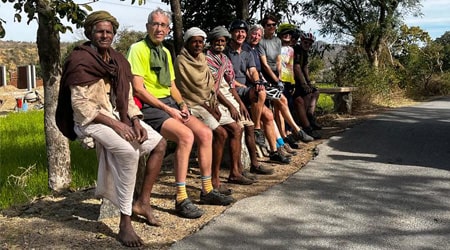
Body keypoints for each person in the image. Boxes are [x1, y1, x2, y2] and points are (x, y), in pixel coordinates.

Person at [55, 11, 166, 247]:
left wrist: (135, 120)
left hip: (118, 115)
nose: (105, 35)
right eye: (99, 31)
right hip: (90, 121)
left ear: (114, 34)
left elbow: (126, 95)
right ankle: (124, 222)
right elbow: (80, 105)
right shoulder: (80, 60)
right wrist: (116, 124)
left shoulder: (118, 60)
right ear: (90, 33)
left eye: (109, 31)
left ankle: (143, 202)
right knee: (128, 152)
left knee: (158, 143)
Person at [126, 8, 232, 220]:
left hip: (169, 103)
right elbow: (138, 89)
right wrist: (168, 109)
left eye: (163, 25)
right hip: (149, 106)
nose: (159, 28)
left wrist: (181, 104)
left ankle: (207, 190)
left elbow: (172, 85)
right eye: (155, 24)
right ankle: (181, 197)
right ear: (148, 27)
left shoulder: (165, 52)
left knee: (206, 133)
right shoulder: (137, 49)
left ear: (168, 29)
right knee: (186, 136)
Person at [174, 27, 258, 191]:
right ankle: (214, 179)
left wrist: (229, 104)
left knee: (239, 128)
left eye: (200, 42)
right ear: (188, 43)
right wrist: (212, 106)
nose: (198, 45)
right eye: (194, 42)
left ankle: (236, 171)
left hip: (209, 102)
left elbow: (210, 85)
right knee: (222, 132)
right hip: (192, 104)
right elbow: (190, 90)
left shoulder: (202, 60)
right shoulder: (182, 61)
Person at [205, 25, 274, 176]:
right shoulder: (208, 59)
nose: (220, 44)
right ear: (211, 42)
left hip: (231, 95)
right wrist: (231, 106)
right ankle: (237, 170)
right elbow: (214, 89)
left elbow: (231, 85)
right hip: (217, 98)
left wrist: (241, 104)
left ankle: (254, 164)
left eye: (223, 41)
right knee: (237, 128)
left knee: (249, 125)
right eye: (217, 41)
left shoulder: (225, 59)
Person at [225, 20, 291, 164]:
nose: (240, 34)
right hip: (231, 90)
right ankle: (256, 129)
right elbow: (226, 77)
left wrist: (257, 82)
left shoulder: (247, 52)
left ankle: (273, 151)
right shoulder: (226, 52)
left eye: (243, 32)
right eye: (237, 31)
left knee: (268, 115)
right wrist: (241, 85)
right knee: (262, 98)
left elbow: (253, 70)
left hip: (246, 90)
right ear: (231, 33)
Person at [244, 23, 317, 146]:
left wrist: (289, 81)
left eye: (258, 35)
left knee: (283, 102)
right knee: (276, 108)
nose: (256, 37)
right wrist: (274, 81)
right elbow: (256, 68)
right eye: (254, 34)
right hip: (255, 85)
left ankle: (286, 138)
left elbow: (290, 67)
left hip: (272, 81)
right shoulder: (247, 49)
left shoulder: (255, 50)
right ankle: (291, 134)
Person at [293, 31, 322, 130]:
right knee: (308, 94)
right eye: (306, 42)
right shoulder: (296, 50)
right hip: (294, 80)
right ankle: (303, 121)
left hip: (301, 80)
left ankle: (310, 116)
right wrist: (304, 84)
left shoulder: (304, 53)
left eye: (310, 44)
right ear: (301, 41)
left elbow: (305, 67)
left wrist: (309, 82)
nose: (308, 45)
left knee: (316, 92)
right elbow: (296, 67)